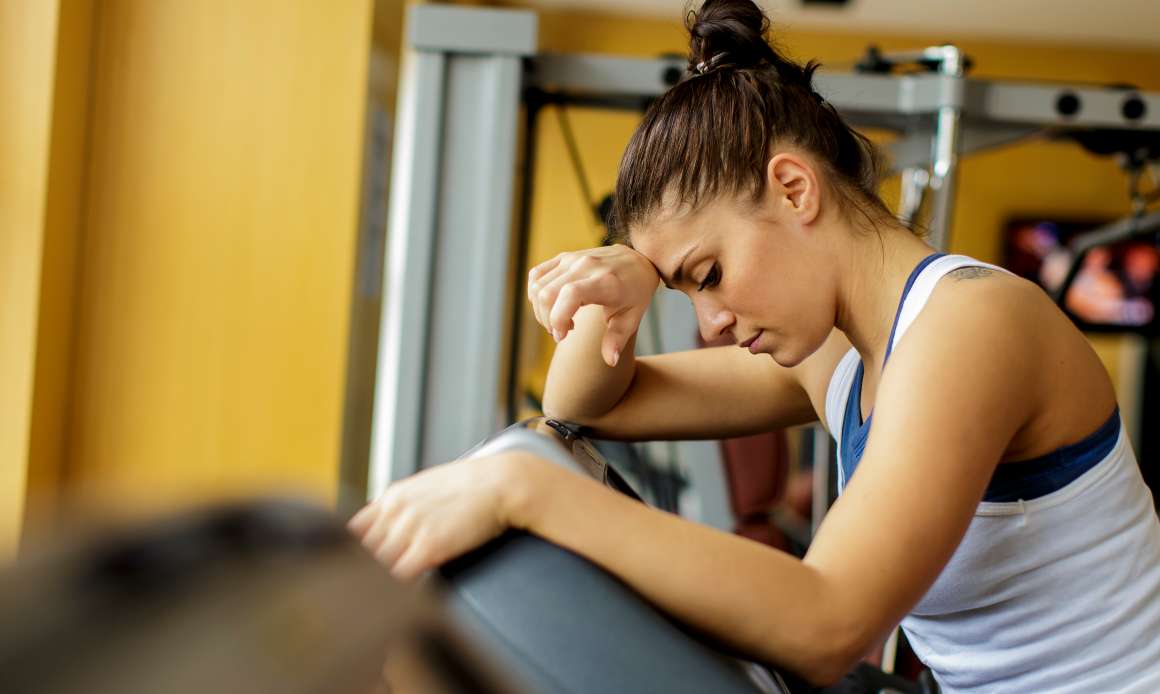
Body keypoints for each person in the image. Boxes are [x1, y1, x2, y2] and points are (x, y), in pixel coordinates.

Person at [348, 1, 1160, 690]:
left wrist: (519, 492)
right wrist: (630, 277)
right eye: (686, 288)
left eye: (709, 273)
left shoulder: (974, 324)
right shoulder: (836, 361)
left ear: (794, 188)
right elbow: (585, 404)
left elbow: (829, 619)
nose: (710, 323)